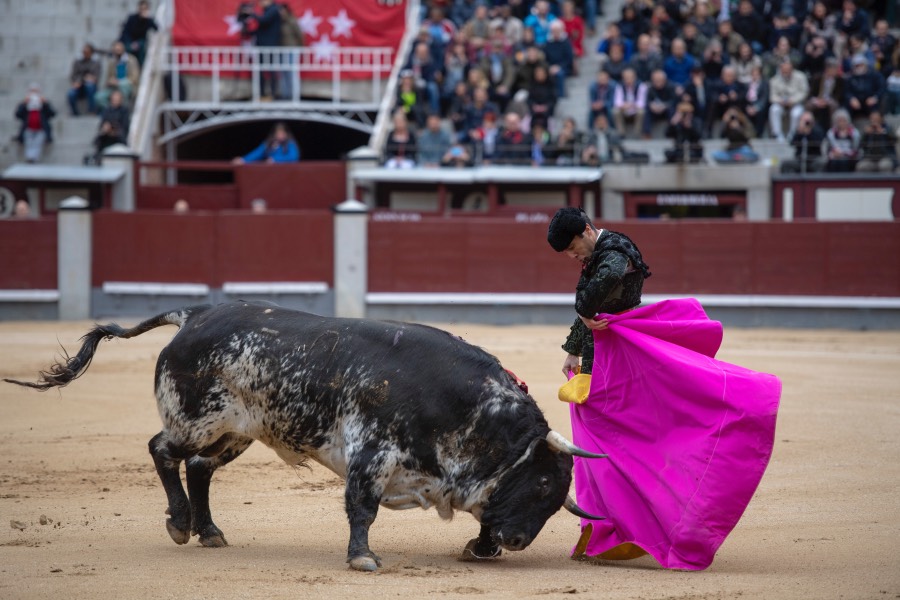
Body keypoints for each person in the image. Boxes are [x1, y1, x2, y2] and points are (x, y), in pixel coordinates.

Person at [546, 207, 780, 571]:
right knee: (598, 440)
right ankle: (606, 529)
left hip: (618, 363)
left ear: (588, 231)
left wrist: (583, 311)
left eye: (574, 248)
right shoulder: (602, 252)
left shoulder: (615, 253)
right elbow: (590, 309)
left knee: (611, 444)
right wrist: (575, 347)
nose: (574, 257)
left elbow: (592, 297)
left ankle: (630, 528)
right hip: (605, 357)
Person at [768, 60, 809, 142]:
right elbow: (772, 96)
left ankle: (792, 134)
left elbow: (804, 92)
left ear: (792, 69)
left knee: (796, 113)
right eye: (784, 71)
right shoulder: (774, 80)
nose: (785, 73)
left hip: (796, 103)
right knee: (774, 109)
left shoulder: (801, 77)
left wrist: (792, 101)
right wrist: (780, 101)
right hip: (781, 103)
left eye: (787, 70)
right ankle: (777, 134)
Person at [14, 83, 56, 163]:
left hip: (40, 129)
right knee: (29, 144)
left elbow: (52, 114)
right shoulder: (25, 103)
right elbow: (18, 115)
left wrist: (45, 103)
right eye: (32, 91)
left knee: (37, 144)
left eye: (36, 91)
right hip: (28, 128)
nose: (34, 93)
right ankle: (29, 159)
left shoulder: (44, 103)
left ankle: (34, 159)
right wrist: (24, 103)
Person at [95, 41, 140, 109]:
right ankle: (112, 111)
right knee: (99, 97)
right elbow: (109, 77)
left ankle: (123, 110)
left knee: (123, 86)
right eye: (115, 50)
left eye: (119, 50)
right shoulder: (112, 61)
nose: (117, 52)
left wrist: (119, 82)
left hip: (128, 85)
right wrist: (110, 81)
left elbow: (135, 77)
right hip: (114, 86)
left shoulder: (131, 60)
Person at [253, 0, 282, 100]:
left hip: (270, 46)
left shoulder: (274, 9)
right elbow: (261, 27)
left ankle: (273, 94)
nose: (260, 3)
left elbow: (264, 20)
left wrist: (252, 14)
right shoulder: (265, 11)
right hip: (262, 45)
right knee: (261, 70)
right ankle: (262, 94)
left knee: (271, 70)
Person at [232, 122, 300, 164]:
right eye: (278, 133)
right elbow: (257, 153)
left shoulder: (290, 144)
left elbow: (293, 157)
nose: (280, 135)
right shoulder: (269, 144)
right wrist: (243, 160)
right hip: (271, 174)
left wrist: (275, 160)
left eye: (282, 133)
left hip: (286, 174)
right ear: (274, 134)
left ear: (286, 134)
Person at [277, 3, 304, 100]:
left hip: (292, 49)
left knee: (292, 72)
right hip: (281, 50)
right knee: (283, 73)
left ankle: (295, 95)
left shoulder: (292, 21)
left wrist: (300, 48)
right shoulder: (278, 22)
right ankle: (285, 94)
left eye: (282, 10)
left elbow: (300, 35)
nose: (280, 12)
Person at [119, 0, 158, 66]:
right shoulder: (132, 18)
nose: (142, 11)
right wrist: (130, 43)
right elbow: (126, 32)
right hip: (130, 41)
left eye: (145, 9)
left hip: (141, 43)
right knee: (122, 49)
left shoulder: (149, 20)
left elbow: (156, 29)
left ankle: (140, 67)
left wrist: (147, 19)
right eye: (141, 8)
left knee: (141, 48)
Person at [67, 44, 101, 116]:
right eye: (84, 52)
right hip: (79, 85)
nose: (85, 54)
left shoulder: (96, 63)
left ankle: (91, 110)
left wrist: (91, 78)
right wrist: (76, 82)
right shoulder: (77, 62)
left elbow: (96, 77)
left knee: (90, 86)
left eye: (87, 52)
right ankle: (75, 112)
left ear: (91, 53)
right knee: (71, 93)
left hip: (90, 86)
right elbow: (73, 75)